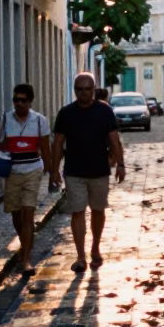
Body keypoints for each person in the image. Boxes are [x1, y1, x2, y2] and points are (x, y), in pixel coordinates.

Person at [52, 72, 126, 272]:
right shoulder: (66, 113)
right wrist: (54, 169)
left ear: (93, 89)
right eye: (79, 89)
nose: (83, 93)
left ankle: (95, 247)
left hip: (99, 171)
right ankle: (80, 256)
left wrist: (120, 164)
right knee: (77, 211)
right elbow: (58, 143)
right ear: (74, 90)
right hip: (74, 171)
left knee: (98, 210)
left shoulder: (105, 111)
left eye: (87, 89)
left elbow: (114, 139)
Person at [0, 84, 52, 277]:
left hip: (33, 171)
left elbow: (45, 148)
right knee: (16, 215)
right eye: (16, 100)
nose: (19, 103)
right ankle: (26, 241)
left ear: (30, 101)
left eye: (23, 100)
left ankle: (25, 259)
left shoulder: (40, 121)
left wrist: (52, 173)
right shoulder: (4, 120)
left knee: (28, 213)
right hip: (12, 173)